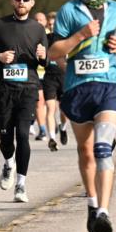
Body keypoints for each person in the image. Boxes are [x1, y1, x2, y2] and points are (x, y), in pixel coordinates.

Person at [48, 0, 116, 232]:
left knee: (103, 149)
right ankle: (92, 204)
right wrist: (80, 35)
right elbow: (54, 51)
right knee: (85, 152)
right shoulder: (67, 11)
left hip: (109, 84)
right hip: (77, 89)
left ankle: (104, 213)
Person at [0, 0, 48, 203]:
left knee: (22, 134)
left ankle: (21, 185)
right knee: (6, 136)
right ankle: (8, 163)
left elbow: (46, 61)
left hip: (28, 89)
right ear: (12, 1)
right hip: (4, 90)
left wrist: (43, 56)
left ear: (32, 2)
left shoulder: (38, 29)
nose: (21, 2)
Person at [42, 12, 70, 152]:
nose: (52, 27)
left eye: (55, 24)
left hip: (64, 77)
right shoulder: (45, 39)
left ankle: (63, 127)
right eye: (50, 24)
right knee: (50, 108)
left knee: (64, 111)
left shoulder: (66, 38)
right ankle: (52, 138)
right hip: (49, 77)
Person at [32, 11, 49, 141]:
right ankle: (42, 129)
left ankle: (58, 125)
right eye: (36, 20)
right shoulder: (29, 34)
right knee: (39, 101)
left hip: (51, 74)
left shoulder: (51, 35)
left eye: (41, 20)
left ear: (46, 22)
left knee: (51, 104)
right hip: (36, 74)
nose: (39, 22)